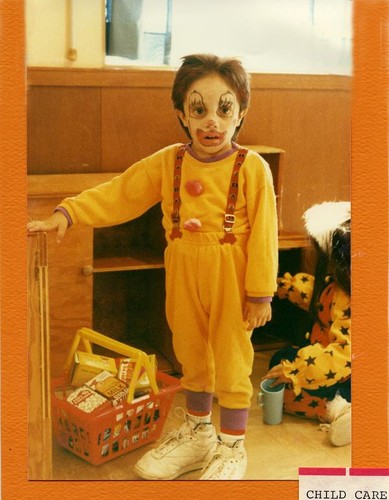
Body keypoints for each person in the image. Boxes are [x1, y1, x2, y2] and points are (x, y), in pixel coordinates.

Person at [27, 54, 278, 479]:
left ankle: (232, 447)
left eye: (224, 108)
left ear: (241, 113)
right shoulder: (169, 161)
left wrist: (260, 293)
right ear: (182, 112)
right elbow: (120, 192)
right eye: (199, 110)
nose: (211, 121)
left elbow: (265, 235)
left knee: (233, 359)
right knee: (191, 352)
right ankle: (199, 434)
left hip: (230, 275)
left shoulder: (250, 168)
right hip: (182, 269)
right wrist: (69, 212)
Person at [262, 201, 351, 447]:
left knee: (284, 378)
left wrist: (296, 370)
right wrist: (284, 286)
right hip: (335, 365)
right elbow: (316, 295)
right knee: (283, 361)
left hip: (345, 372)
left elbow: (343, 356)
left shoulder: (347, 296)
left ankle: (340, 409)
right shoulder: (339, 284)